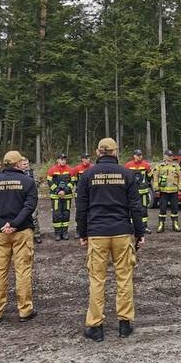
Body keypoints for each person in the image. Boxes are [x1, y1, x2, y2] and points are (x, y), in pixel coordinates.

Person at [76, 138, 145, 342]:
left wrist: (83, 234)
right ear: (116, 152)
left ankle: (96, 327)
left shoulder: (87, 174)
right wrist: (140, 233)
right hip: (122, 232)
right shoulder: (127, 174)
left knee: (97, 279)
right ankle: (125, 324)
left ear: (98, 152)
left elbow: (81, 208)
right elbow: (136, 207)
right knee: (124, 278)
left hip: (97, 233)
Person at [0, 151, 38, 323]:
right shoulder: (28, 182)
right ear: (18, 164)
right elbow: (30, 206)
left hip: (1, 233)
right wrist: (14, 224)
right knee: (23, 271)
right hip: (21, 231)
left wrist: (0, 224)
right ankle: (25, 310)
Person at [152, 150, 181, 233]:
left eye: (171, 156)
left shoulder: (176, 166)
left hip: (174, 191)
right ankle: (161, 224)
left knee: (175, 208)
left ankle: (175, 224)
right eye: (169, 156)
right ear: (165, 156)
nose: (170, 157)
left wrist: (180, 188)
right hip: (163, 191)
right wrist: (156, 189)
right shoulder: (159, 166)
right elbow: (155, 178)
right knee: (162, 209)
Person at [46, 153, 75, 240]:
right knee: (57, 214)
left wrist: (65, 190)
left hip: (67, 196)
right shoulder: (52, 170)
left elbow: (72, 182)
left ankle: (65, 232)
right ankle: (57, 233)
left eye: (65, 159)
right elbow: (49, 182)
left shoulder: (70, 170)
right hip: (56, 196)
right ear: (57, 160)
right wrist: (58, 191)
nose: (63, 161)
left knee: (66, 213)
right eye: (62, 159)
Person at [124, 150, 153, 234]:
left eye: (141, 155)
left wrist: (152, 171)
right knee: (131, 209)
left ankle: (144, 226)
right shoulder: (128, 165)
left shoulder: (146, 165)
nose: (140, 156)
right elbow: (125, 177)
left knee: (143, 209)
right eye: (138, 155)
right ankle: (132, 227)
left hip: (143, 192)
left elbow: (149, 178)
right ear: (134, 156)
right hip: (132, 192)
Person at [20, 157, 42, 243]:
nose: (26, 166)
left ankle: (36, 235)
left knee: (34, 217)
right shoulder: (18, 173)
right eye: (24, 164)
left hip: (32, 197)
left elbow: (37, 183)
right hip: (21, 198)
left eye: (27, 164)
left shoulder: (32, 173)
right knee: (22, 216)